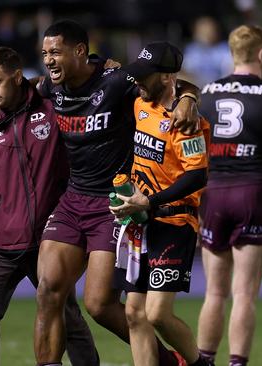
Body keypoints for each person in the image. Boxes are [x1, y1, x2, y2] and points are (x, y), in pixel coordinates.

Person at [34, 20, 201, 366]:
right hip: (73, 197)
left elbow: (165, 82)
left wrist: (188, 98)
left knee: (99, 304)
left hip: (115, 203)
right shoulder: (50, 89)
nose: (48, 60)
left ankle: (171, 361)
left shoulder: (118, 82)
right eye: (45, 53)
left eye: (55, 52)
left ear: (79, 51)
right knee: (48, 289)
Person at [0, 46, 98, 366]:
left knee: (68, 318)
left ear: (17, 77)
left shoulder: (52, 105)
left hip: (49, 239)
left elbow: (85, 73)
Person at [195, 25, 262, 366]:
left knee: (214, 293)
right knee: (243, 294)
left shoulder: (205, 94)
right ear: (261, 54)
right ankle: (237, 363)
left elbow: (194, 153)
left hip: (214, 193)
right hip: (253, 192)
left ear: (232, 53)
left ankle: (204, 360)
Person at [110, 41, 211, 366]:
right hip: (141, 223)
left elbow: (197, 176)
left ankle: (199, 363)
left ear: (167, 77)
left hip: (174, 223)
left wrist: (149, 200)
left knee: (156, 314)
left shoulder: (186, 121)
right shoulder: (141, 103)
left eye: (145, 75)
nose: (138, 81)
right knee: (134, 313)